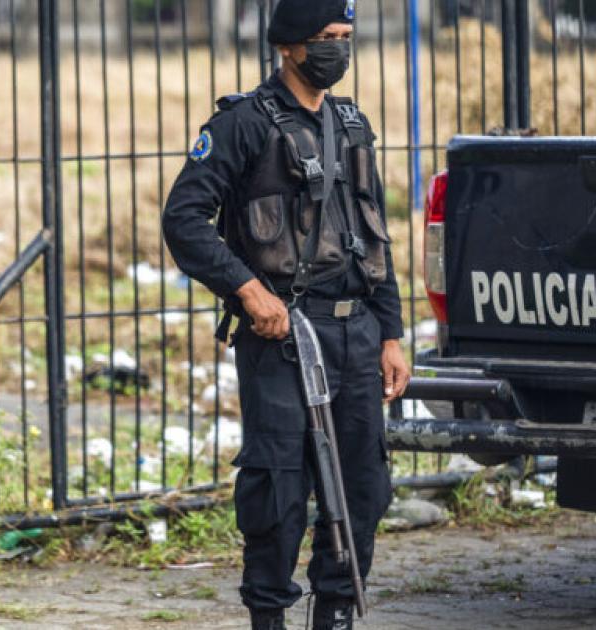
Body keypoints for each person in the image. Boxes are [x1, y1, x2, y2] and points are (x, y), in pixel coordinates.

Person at [161, 1, 411, 628]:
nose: (338, 50)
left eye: (346, 36)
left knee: (361, 489)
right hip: (282, 335)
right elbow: (184, 220)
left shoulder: (351, 123)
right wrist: (247, 290)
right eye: (326, 37)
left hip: (357, 332)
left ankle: (335, 615)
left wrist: (391, 333)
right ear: (288, 46)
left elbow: (373, 235)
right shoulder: (242, 124)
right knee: (278, 491)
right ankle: (269, 617)